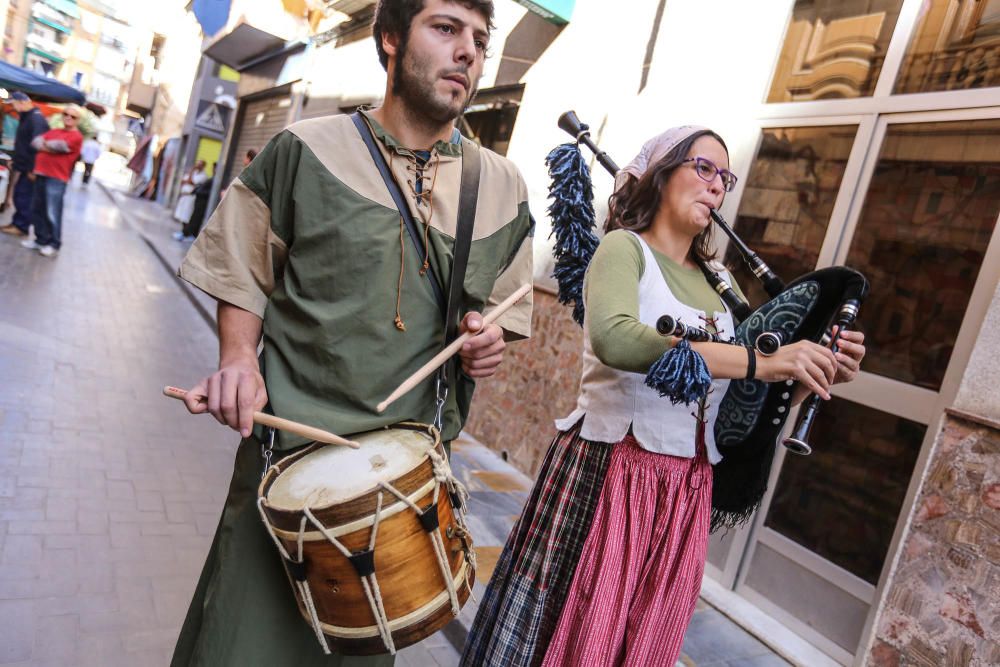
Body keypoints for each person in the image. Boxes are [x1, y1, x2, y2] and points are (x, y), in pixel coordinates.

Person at [170, 0, 533, 665]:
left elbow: (501, 319)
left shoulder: (504, 188)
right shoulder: (305, 149)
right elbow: (242, 268)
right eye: (446, 28)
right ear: (389, 38)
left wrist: (486, 344)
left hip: (401, 496)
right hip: (287, 469)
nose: (468, 52)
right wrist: (239, 360)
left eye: (481, 39)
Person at [462, 126, 866, 667]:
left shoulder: (721, 281)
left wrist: (812, 372)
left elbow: (743, 395)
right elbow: (616, 338)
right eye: (704, 169)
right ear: (660, 174)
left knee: (646, 637)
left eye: (725, 178)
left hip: (686, 489)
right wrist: (765, 360)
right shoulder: (623, 249)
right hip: (612, 473)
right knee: (581, 624)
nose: (717, 187)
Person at [20, 105, 83, 257]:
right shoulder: (55, 131)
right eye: (66, 114)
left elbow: (60, 146)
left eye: (72, 116)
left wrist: (47, 145)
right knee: (37, 208)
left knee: (52, 211)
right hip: (41, 173)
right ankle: (40, 240)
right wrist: (50, 147)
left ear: (77, 120)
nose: (68, 117)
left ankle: (54, 243)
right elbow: (35, 142)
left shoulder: (76, 136)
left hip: (57, 178)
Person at [0, 92, 50, 236]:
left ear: (21, 102)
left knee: (24, 196)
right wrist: (16, 160)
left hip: (31, 168)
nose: (13, 108)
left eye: (13, 104)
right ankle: (17, 223)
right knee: (20, 195)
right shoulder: (28, 117)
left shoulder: (36, 119)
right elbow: (25, 144)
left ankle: (21, 226)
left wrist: (33, 169)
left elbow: (38, 146)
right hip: (24, 165)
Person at [173, 163, 216, 242]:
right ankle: (185, 233)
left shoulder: (208, 178)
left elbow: (191, 182)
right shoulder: (210, 178)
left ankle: (187, 234)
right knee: (188, 217)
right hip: (196, 199)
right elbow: (184, 181)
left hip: (201, 201)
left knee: (192, 218)